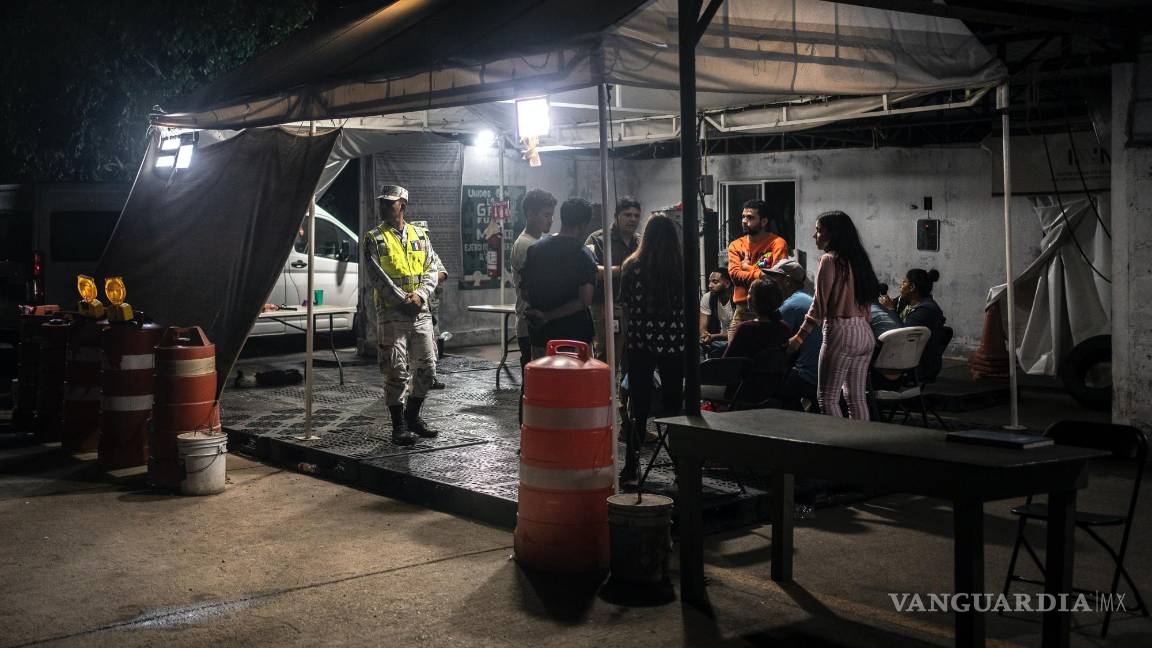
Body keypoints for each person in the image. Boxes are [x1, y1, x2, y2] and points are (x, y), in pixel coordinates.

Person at [362, 185, 442, 445]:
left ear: (402, 206)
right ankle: (398, 427)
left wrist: (420, 295)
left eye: (389, 202)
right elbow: (377, 276)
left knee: (428, 368)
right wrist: (403, 300)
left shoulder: (420, 234)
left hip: (420, 312)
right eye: (382, 202)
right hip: (392, 314)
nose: (383, 206)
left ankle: (413, 416)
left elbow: (432, 268)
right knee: (395, 369)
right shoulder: (373, 237)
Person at [787, 211, 880, 420]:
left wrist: (800, 337)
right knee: (856, 398)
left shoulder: (829, 260)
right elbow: (867, 303)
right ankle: (861, 444)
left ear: (832, 234)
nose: (814, 235)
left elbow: (819, 304)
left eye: (819, 230)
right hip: (865, 332)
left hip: (841, 331)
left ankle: (838, 445)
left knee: (827, 398)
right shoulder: (858, 261)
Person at [619, 214, 685, 482]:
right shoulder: (682, 267)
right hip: (674, 342)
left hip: (639, 342)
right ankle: (680, 464)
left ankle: (632, 463)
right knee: (673, 405)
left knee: (639, 405)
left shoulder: (631, 266)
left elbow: (625, 308)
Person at [522, 198, 597, 358]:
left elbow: (525, 293)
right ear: (583, 225)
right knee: (573, 382)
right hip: (574, 338)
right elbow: (585, 300)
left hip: (541, 338)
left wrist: (542, 313)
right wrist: (548, 316)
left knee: (544, 381)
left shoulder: (535, 249)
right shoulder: (583, 254)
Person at [585, 197, 641, 363]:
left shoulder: (639, 241)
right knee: (607, 355)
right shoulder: (597, 239)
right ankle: (605, 389)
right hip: (604, 307)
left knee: (633, 356)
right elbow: (590, 271)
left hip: (634, 307)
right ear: (616, 216)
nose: (632, 219)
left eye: (636, 216)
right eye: (628, 214)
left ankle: (626, 389)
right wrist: (622, 269)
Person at [763, 259, 821, 412]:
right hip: (820, 373)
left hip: (806, 375)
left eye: (775, 279)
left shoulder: (790, 305)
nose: (771, 283)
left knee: (760, 383)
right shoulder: (805, 298)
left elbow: (773, 341)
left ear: (787, 281)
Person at [727, 199, 790, 337]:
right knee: (734, 357)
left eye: (750, 217)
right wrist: (761, 274)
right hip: (742, 311)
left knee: (768, 356)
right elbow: (734, 275)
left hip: (770, 311)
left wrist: (747, 267)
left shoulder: (777, 243)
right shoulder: (736, 245)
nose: (744, 221)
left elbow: (775, 278)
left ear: (764, 222)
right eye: (743, 217)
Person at [511, 190, 557, 366]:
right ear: (530, 213)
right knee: (534, 380)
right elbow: (538, 286)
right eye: (546, 215)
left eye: (551, 215)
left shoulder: (538, 242)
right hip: (531, 323)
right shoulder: (526, 245)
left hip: (537, 321)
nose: (551, 220)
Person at [879, 268, 948, 380]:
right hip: (904, 354)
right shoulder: (905, 301)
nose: (900, 286)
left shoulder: (926, 310)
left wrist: (890, 310)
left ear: (912, 287)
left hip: (918, 363)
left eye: (904, 282)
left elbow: (902, 335)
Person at [410, 220, 449, 390]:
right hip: (412, 307)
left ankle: (430, 378)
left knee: (431, 345)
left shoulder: (430, 252)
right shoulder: (409, 252)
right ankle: (414, 380)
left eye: (426, 233)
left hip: (430, 308)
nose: (424, 236)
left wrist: (426, 278)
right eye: (421, 233)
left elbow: (442, 273)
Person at [698, 268, 733, 358]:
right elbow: (702, 327)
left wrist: (714, 337)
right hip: (720, 340)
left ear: (727, 284)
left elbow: (738, 332)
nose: (710, 286)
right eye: (709, 282)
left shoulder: (736, 299)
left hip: (736, 340)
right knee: (696, 344)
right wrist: (705, 335)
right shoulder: (708, 297)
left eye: (715, 282)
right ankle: (702, 371)